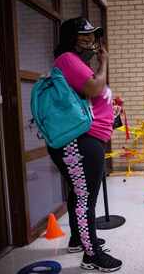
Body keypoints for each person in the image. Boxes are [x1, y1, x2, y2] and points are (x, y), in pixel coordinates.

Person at [47, 17, 122, 272]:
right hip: (79, 140)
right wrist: (104, 62)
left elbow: (94, 92)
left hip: (87, 139)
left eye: (93, 36)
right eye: (85, 35)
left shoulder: (77, 63)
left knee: (80, 194)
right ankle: (92, 255)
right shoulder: (67, 60)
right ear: (70, 38)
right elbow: (93, 87)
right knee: (85, 198)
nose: (91, 40)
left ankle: (79, 239)